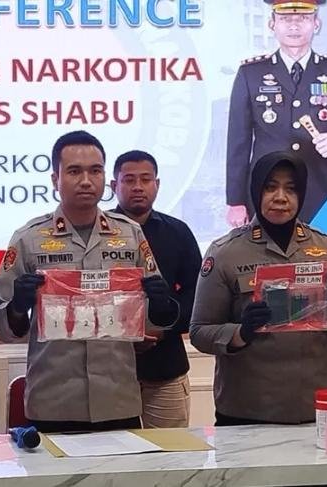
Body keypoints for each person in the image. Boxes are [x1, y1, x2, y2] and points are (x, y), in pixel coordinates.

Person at [0, 130, 178, 434]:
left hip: (118, 400)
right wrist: (17, 308)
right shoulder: (28, 238)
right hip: (53, 401)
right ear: (55, 179)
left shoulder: (130, 234)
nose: (87, 181)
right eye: (75, 171)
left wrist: (160, 304)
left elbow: (153, 320)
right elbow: (0, 324)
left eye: (95, 171)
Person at [191, 150, 327, 425]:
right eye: (270, 187)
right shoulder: (225, 252)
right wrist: (241, 332)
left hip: (315, 409)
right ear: (256, 190)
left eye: (291, 189)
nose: (281, 197)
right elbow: (200, 331)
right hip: (247, 412)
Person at [225, 0, 327, 227]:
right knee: (266, 249)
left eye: (303, 18)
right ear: (272, 24)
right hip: (266, 190)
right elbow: (238, 143)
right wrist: (235, 201)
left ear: (316, 24)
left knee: (319, 249)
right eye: (285, 18)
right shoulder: (251, 74)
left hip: (319, 190)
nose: (294, 26)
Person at [111, 150, 202, 428]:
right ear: (114, 186)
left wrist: (162, 330)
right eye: (129, 180)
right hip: (110, 371)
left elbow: (198, 296)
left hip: (166, 367)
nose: (138, 187)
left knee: (169, 452)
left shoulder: (178, 232)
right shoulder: (97, 233)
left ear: (157, 184)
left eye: (145, 179)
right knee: (113, 452)